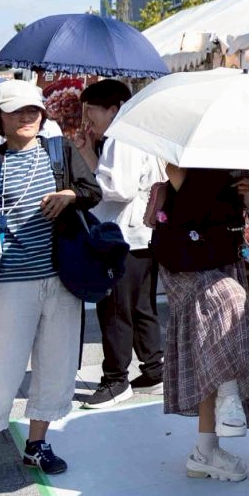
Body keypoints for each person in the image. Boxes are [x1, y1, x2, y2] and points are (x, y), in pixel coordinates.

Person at [0, 80, 99, 495]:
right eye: (17, 110)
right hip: (10, 280)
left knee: (56, 366)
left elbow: (92, 191)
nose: (27, 117)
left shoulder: (60, 151)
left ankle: (37, 444)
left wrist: (70, 194)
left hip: (62, 278)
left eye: (33, 109)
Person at [151, 164, 249, 484]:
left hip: (224, 256)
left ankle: (205, 451)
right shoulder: (188, 155)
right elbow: (186, 196)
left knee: (213, 348)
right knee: (229, 301)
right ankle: (229, 398)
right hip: (185, 258)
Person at [72, 79, 164, 407]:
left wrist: (81, 189)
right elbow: (115, 181)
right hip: (141, 236)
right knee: (141, 308)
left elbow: (119, 188)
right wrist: (87, 151)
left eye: (91, 111)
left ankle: (115, 380)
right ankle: (154, 371)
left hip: (121, 237)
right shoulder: (135, 134)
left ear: (113, 109)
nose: (87, 119)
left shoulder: (121, 137)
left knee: (115, 310)